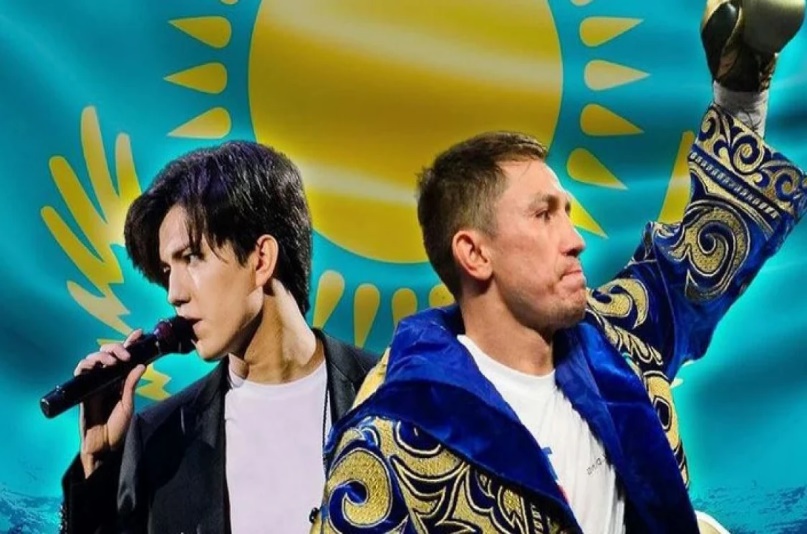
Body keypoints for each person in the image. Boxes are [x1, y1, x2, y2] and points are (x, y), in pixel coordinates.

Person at [314, 1, 806, 532]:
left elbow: (703, 256)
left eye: (567, 214)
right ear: (474, 254)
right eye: (543, 215)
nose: (575, 241)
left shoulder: (615, 342)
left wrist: (741, 89)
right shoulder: (393, 443)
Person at [59, 141, 379, 533]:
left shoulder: (395, 396)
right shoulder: (160, 439)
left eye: (192, 257)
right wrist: (99, 465)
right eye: (167, 270)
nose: (174, 293)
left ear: (261, 259)